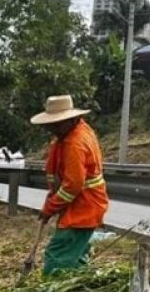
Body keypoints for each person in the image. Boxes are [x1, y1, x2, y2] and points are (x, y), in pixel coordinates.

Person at [30, 94, 110, 276]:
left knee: (58, 255)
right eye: (50, 124)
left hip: (83, 207)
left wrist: (49, 209)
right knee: (76, 256)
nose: (52, 129)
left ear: (71, 119)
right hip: (83, 205)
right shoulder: (77, 131)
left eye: (56, 124)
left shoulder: (75, 143)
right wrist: (49, 204)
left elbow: (72, 185)